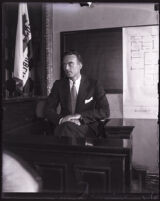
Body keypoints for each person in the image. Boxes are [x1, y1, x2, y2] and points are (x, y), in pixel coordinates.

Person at [44, 50, 110, 142]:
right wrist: (62, 120)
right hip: (64, 125)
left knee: (61, 134)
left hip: (86, 127)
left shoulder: (94, 84)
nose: (66, 68)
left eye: (70, 64)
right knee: (65, 129)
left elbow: (105, 111)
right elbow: (48, 110)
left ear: (80, 66)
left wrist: (79, 116)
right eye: (64, 64)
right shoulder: (58, 85)